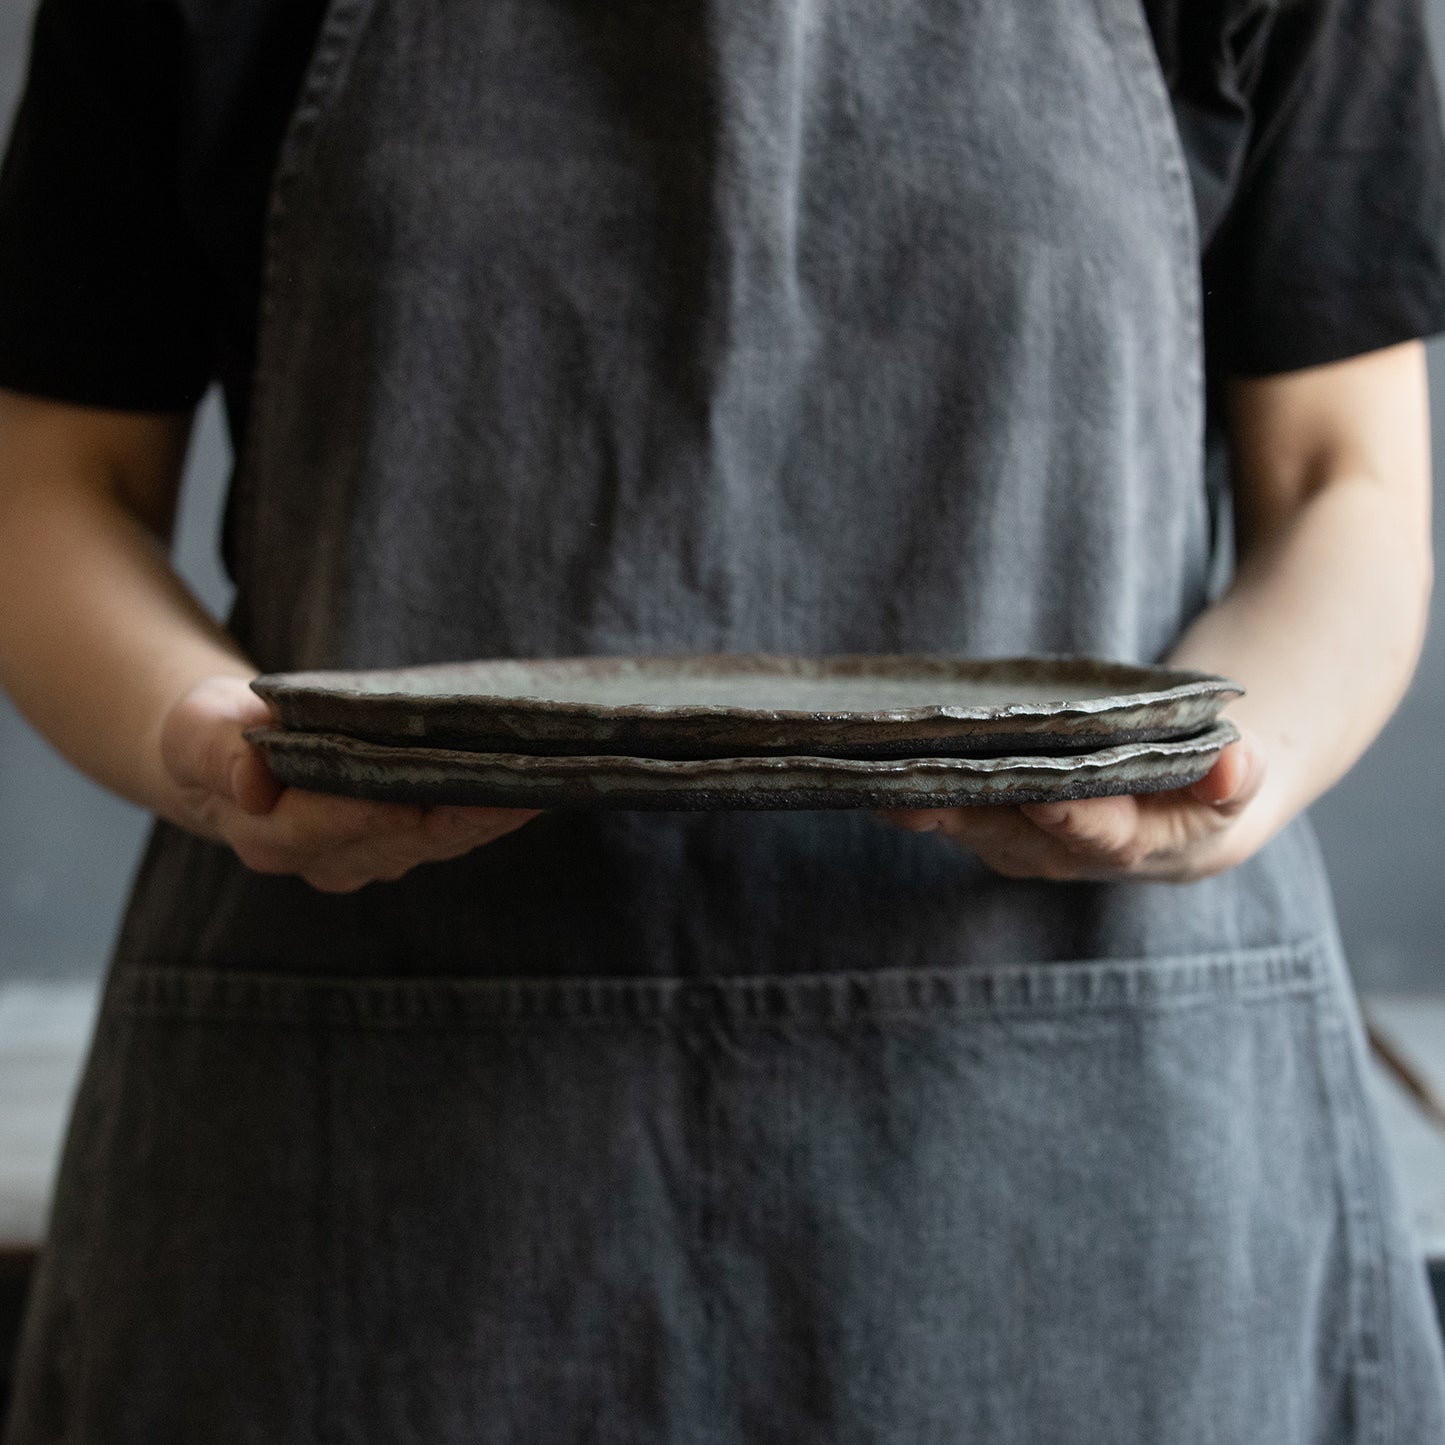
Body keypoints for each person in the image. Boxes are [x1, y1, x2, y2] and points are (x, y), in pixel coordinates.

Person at [1, 0, 1444, 1439]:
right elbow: (58, 487)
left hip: (1095, 1159)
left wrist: (1225, 780)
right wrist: (195, 745)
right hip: (358, 1187)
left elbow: (1342, 488)